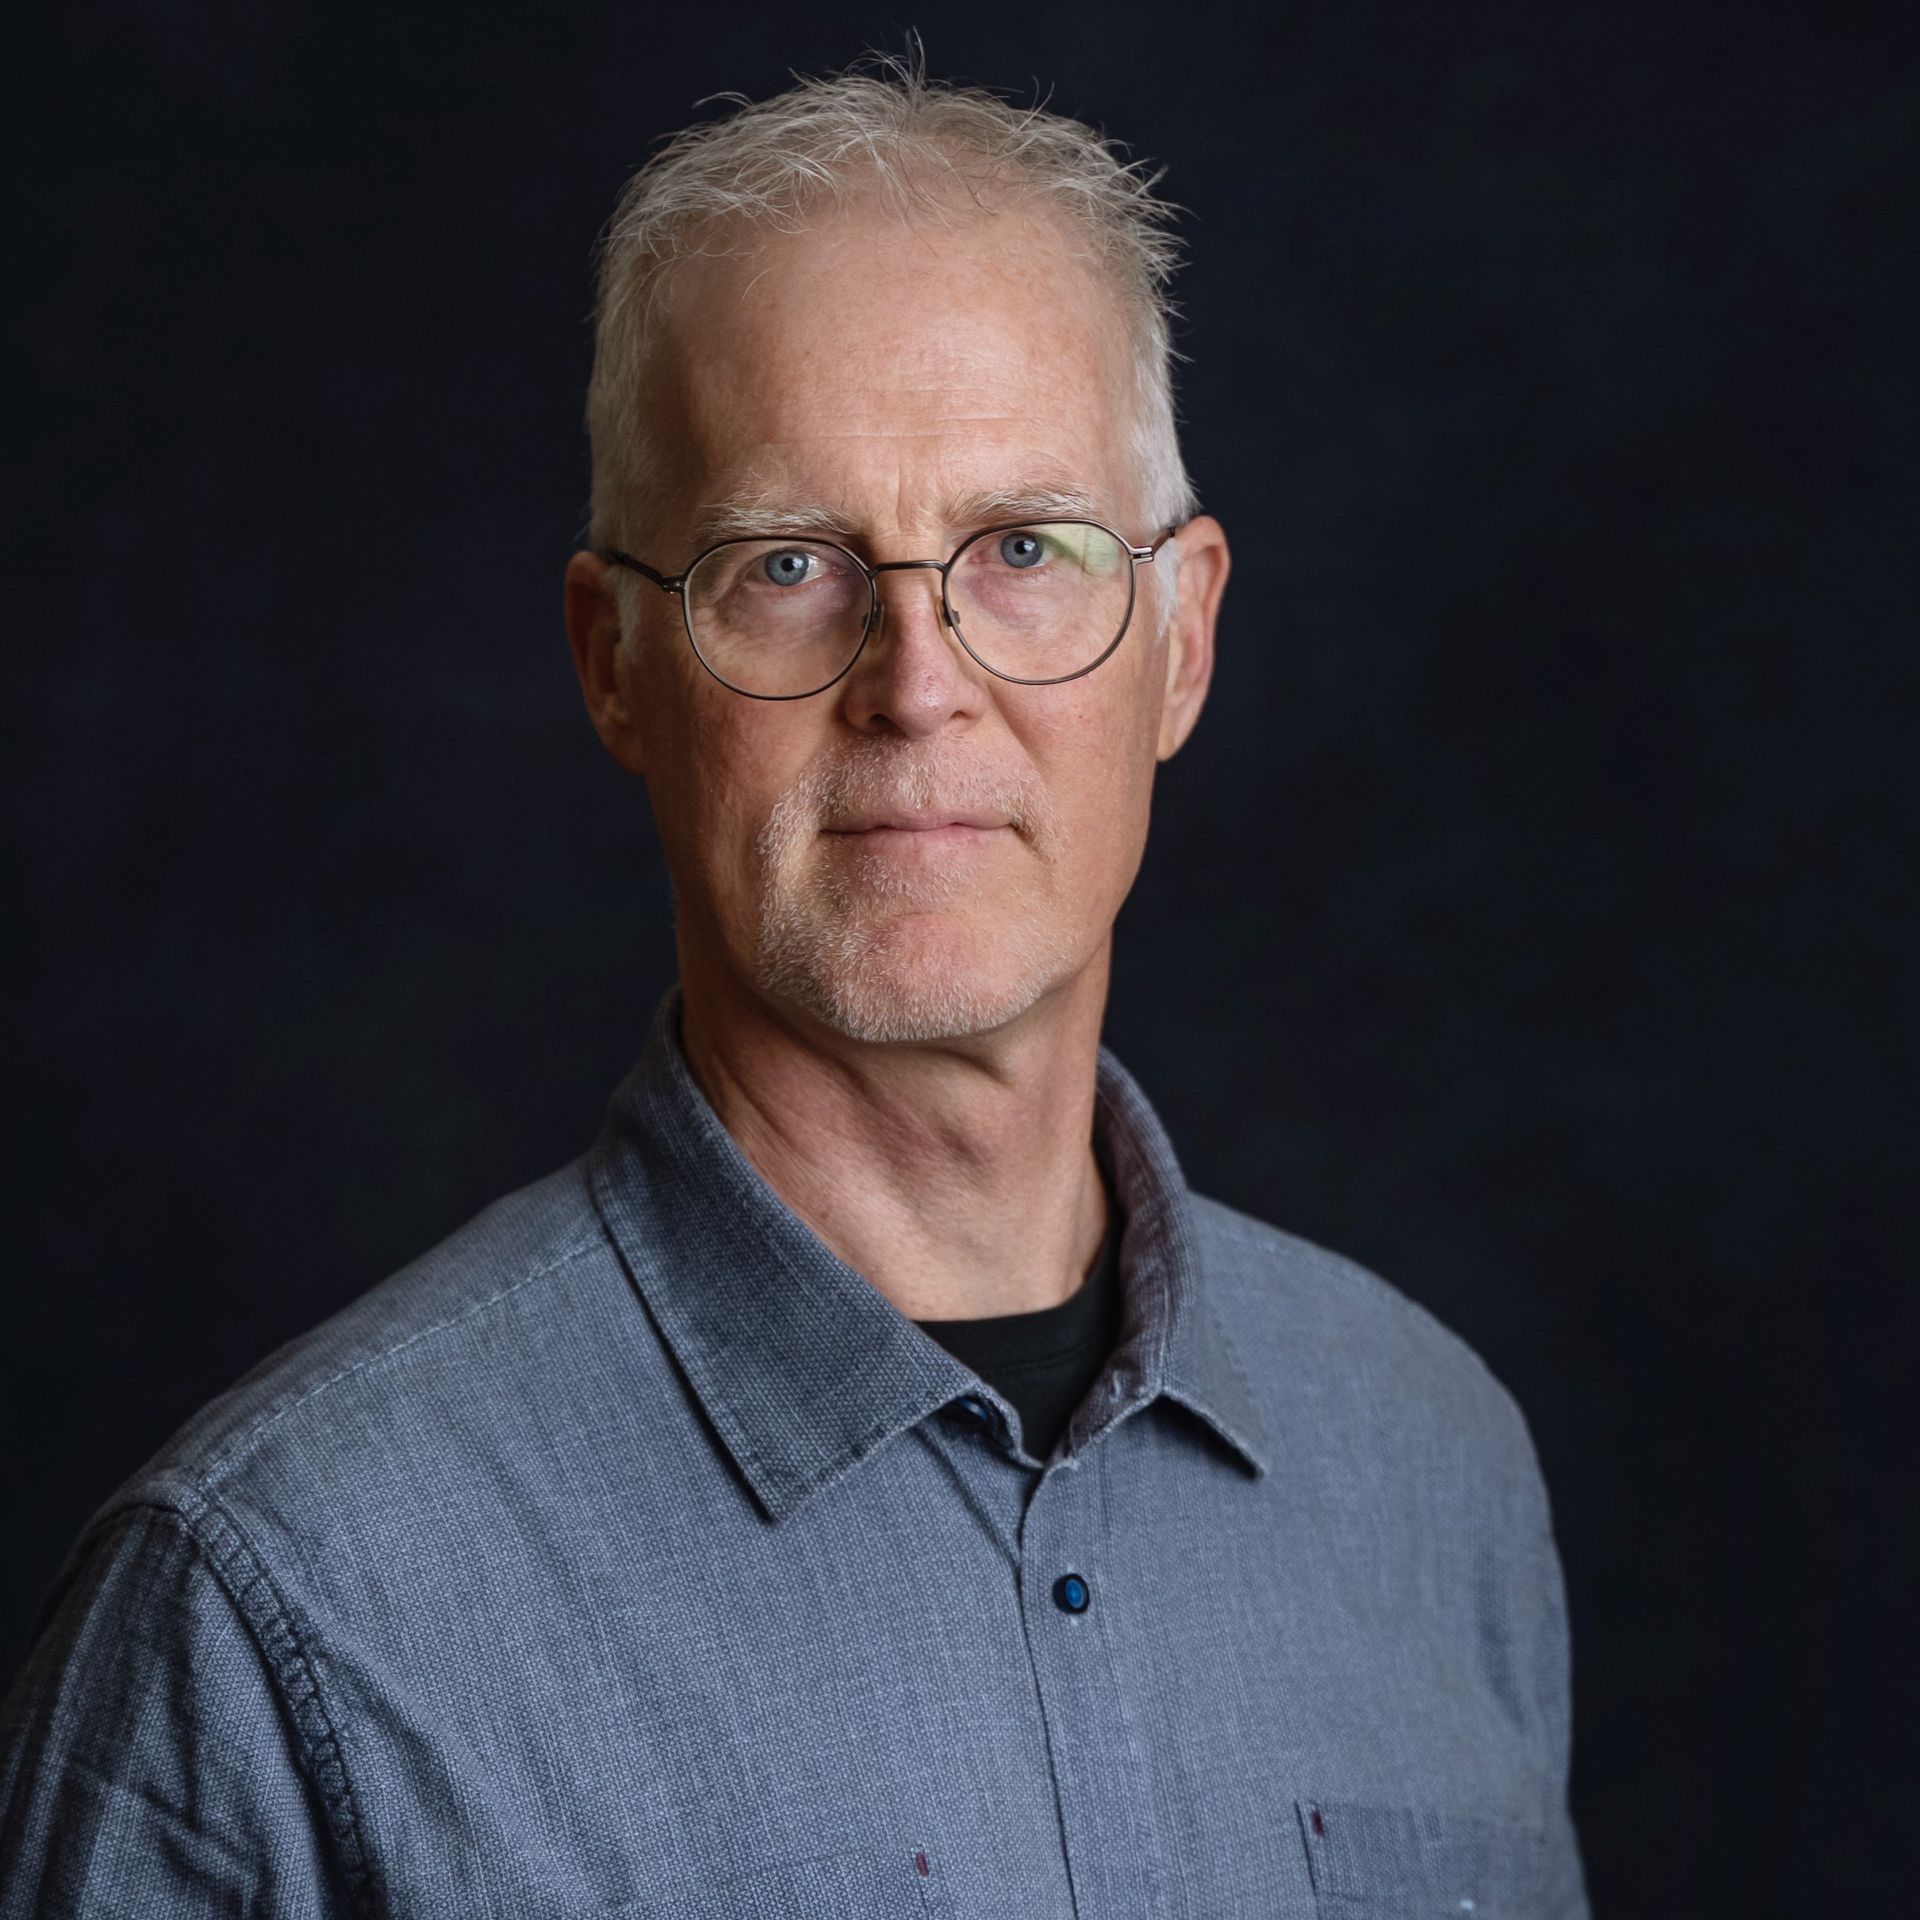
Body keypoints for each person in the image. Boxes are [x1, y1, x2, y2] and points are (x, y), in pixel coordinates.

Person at [0, 53, 1588, 1920]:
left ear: (1183, 639)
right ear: (613, 665)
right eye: (786, 567)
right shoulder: (277, 1613)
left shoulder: (1436, 1471)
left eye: (1024, 552)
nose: (918, 681)